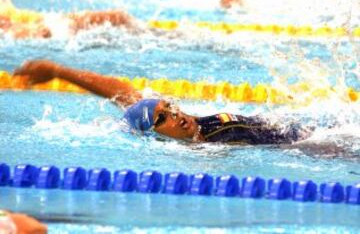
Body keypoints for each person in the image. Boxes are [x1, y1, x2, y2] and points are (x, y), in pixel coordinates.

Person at [13, 60, 312, 145]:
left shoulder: (181, 125)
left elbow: (119, 91)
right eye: (162, 120)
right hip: (309, 147)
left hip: (307, 130)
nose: (175, 115)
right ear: (152, 135)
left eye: (170, 108)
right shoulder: (200, 152)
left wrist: (57, 71)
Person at [0, 0, 138, 39]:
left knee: (119, 17)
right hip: (41, 27)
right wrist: (30, 31)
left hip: (41, 21)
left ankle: (159, 36)